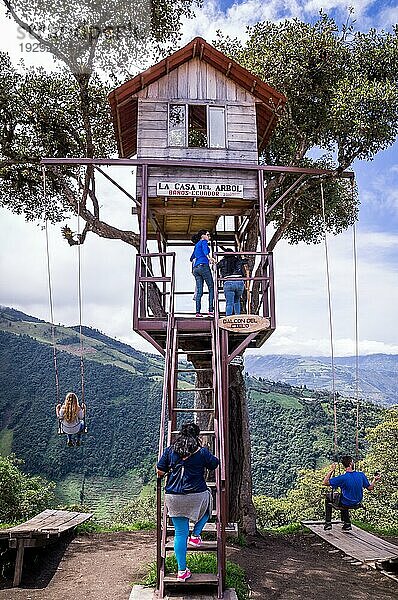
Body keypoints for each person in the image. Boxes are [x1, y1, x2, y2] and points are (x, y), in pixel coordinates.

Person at [156, 422, 220, 582]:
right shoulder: (201, 452)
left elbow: (160, 470)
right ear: (196, 436)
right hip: (197, 494)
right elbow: (215, 464)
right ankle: (196, 535)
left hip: (174, 497)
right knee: (208, 506)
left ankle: (182, 571)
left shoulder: (170, 450)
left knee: (179, 533)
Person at [323, 455, 381, 531]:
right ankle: (347, 524)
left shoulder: (342, 478)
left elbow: (325, 482)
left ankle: (328, 523)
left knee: (329, 497)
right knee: (344, 497)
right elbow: (370, 488)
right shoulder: (361, 475)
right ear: (350, 464)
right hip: (357, 502)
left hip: (346, 502)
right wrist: (375, 480)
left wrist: (332, 470)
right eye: (353, 462)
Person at [190, 230, 216, 318]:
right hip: (203, 266)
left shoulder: (196, 245)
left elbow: (191, 258)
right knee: (211, 287)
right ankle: (210, 310)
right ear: (203, 236)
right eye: (208, 235)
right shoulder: (203, 242)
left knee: (199, 290)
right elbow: (205, 251)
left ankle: (197, 312)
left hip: (196, 269)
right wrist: (210, 258)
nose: (209, 237)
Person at [217, 249, 249, 316]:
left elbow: (215, 267)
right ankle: (237, 317)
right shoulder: (237, 260)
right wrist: (242, 256)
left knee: (229, 303)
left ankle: (228, 319)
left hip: (228, 282)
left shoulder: (222, 261)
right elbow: (246, 261)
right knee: (237, 301)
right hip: (239, 282)